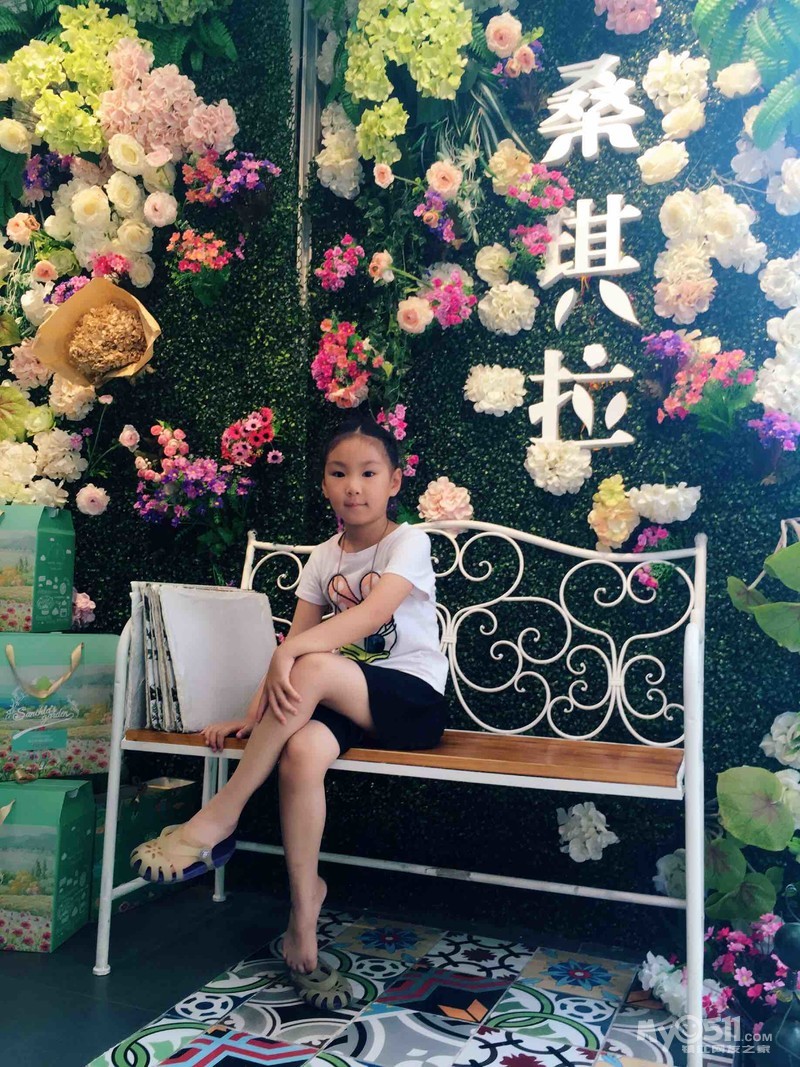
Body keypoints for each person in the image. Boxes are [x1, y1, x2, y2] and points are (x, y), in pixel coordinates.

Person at [130, 414, 449, 997]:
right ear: (325, 484)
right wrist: (253, 717)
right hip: (345, 699)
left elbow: (370, 616)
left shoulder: (409, 541)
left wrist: (292, 654)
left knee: (314, 663)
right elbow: (292, 651)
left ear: (394, 482)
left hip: (411, 701)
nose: (354, 486)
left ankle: (222, 814)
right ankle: (305, 908)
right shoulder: (324, 557)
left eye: (369, 473)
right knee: (300, 752)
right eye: (339, 473)